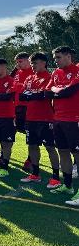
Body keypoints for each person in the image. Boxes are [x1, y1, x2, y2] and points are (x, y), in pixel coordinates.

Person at [19, 53, 61, 188]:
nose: (32, 66)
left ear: (43, 63)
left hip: (46, 118)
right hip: (30, 118)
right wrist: (34, 95)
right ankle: (35, 174)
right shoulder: (30, 78)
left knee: (50, 147)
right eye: (31, 63)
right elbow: (22, 96)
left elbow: (44, 95)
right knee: (32, 146)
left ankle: (55, 177)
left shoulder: (50, 77)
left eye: (35, 63)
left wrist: (33, 95)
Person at [45, 46, 79, 206]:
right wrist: (59, 89)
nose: (55, 60)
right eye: (55, 58)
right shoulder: (56, 73)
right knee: (63, 152)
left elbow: (70, 92)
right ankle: (67, 186)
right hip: (58, 119)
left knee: (77, 154)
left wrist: (57, 90)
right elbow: (47, 92)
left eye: (58, 57)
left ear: (67, 56)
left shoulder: (77, 70)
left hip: (74, 119)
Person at [12, 52, 33, 171]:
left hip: (28, 108)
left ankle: (30, 160)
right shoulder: (17, 73)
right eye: (17, 62)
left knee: (29, 134)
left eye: (20, 61)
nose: (18, 64)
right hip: (16, 108)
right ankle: (3, 156)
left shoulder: (33, 73)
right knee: (10, 131)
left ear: (28, 61)